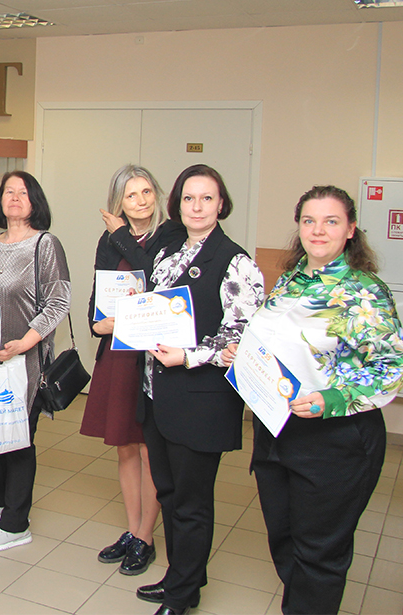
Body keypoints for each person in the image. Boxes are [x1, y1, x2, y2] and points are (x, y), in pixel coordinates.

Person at [222, 186, 403, 615]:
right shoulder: (291, 280)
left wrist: (332, 398)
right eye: (309, 220)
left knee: (319, 553)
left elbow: (390, 366)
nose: (318, 230)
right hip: (277, 431)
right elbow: (282, 345)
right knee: (284, 539)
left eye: (331, 221)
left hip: (335, 440)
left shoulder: (364, 291)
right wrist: (242, 353)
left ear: (351, 229)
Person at [134, 164, 265, 615]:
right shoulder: (168, 251)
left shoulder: (236, 262)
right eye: (189, 198)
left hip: (200, 401)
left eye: (207, 198)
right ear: (178, 204)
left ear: (221, 204)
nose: (197, 207)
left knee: (191, 504)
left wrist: (189, 356)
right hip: (157, 393)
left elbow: (242, 336)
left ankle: (182, 596)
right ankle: (181, 578)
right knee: (169, 493)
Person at [0, 171, 69, 551]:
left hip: (26, 360)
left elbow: (59, 302)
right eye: (8, 192)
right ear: (0, 200)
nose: (15, 198)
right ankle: (1, 500)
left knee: (18, 436)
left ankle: (17, 523)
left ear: (35, 201)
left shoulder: (45, 245)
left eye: (23, 192)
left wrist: (25, 343)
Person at [81, 164, 185, 575]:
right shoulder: (108, 240)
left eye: (146, 192)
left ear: (157, 195)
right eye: (130, 195)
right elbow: (98, 295)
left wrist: (122, 234)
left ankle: (146, 535)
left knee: (148, 449)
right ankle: (131, 528)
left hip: (153, 358)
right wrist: (97, 323)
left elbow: (157, 280)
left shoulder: (172, 234)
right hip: (118, 353)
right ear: (118, 202)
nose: (140, 201)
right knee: (125, 445)